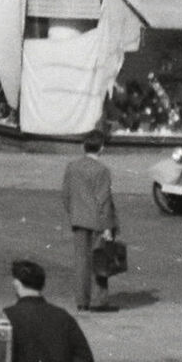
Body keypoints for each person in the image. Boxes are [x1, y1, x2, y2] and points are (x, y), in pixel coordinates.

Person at [60, 132, 119, 311]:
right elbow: (104, 200)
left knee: (81, 262)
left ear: (83, 147)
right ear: (102, 148)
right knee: (100, 260)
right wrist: (108, 226)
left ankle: (82, 301)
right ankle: (98, 301)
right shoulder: (102, 170)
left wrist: (73, 213)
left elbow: (66, 194)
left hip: (78, 219)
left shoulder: (72, 167)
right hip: (98, 221)